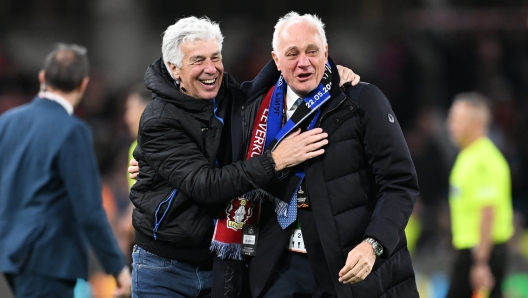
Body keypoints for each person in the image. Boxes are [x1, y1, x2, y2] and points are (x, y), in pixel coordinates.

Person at [129, 16, 360, 298]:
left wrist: (329, 72)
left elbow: (269, 83)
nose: (211, 69)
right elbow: (206, 185)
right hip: (165, 270)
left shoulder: (224, 94)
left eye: (216, 57)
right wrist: (275, 161)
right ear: (174, 68)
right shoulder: (158, 119)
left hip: (220, 264)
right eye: (198, 60)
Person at [228, 12, 419, 297]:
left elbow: (399, 183)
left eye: (312, 51)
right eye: (292, 53)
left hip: (348, 266)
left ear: (326, 52)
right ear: (276, 60)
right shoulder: (253, 108)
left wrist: (374, 244)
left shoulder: (360, 101)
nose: (303, 62)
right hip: (277, 267)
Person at [0, 44, 131, 298]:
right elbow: (90, 209)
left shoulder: (6, 122)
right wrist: (117, 269)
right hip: (49, 260)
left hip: (9, 256)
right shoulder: (73, 131)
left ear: (42, 78)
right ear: (83, 84)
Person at [446, 93, 514, 298]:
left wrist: (481, 263)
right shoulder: (468, 155)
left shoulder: (484, 160)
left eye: (457, 119)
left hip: (482, 253)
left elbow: (488, 212)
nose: (450, 125)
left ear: (476, 123)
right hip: (471, 252)